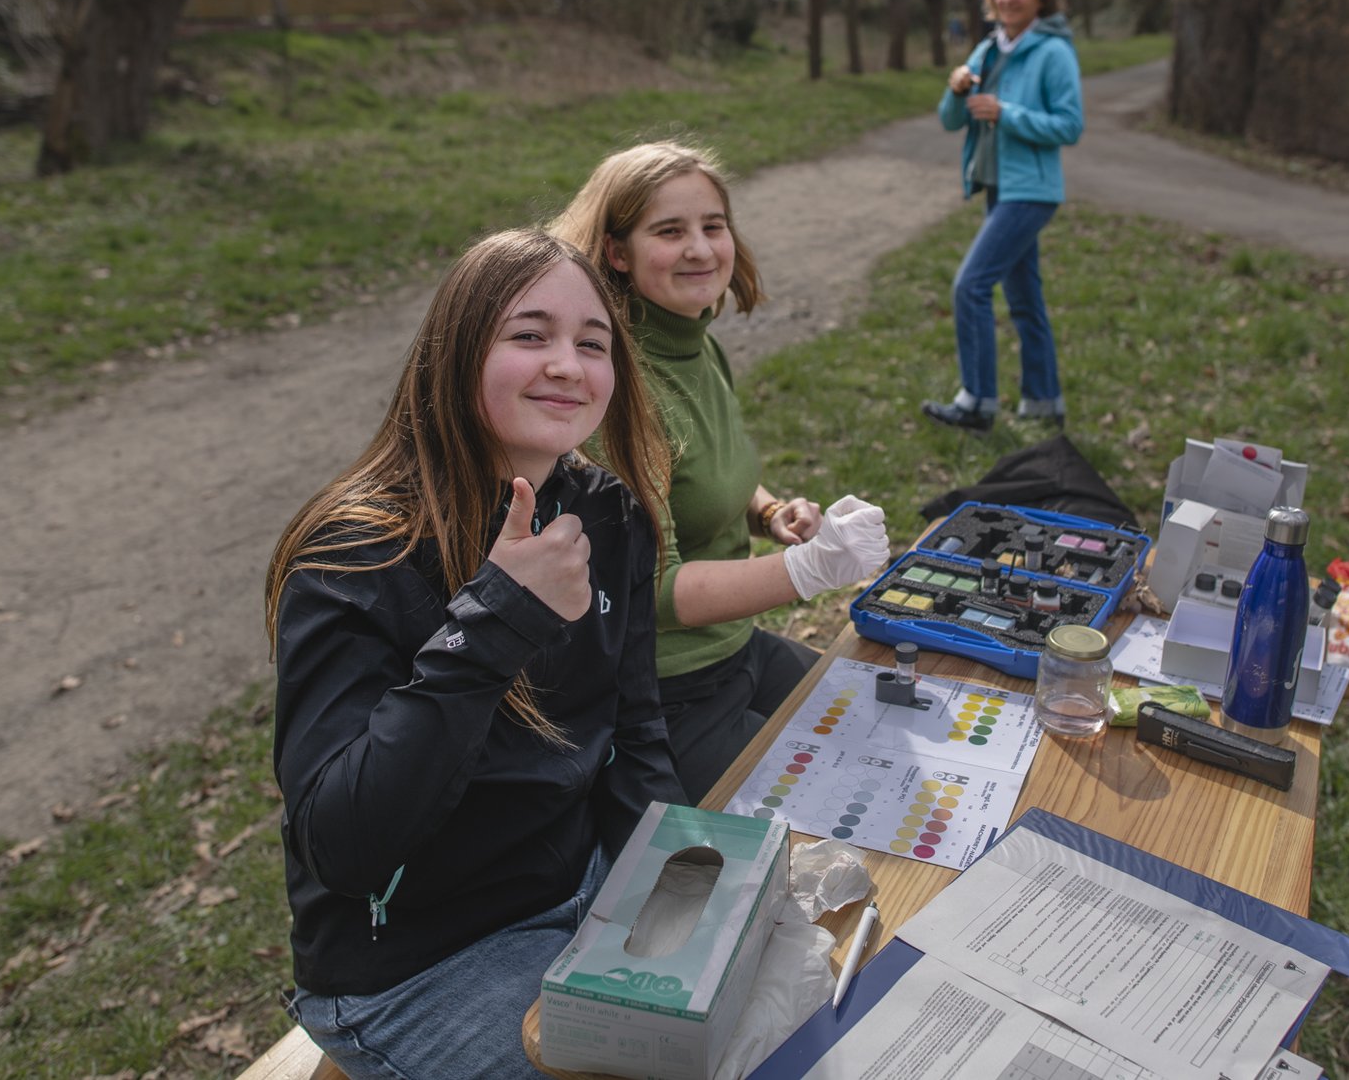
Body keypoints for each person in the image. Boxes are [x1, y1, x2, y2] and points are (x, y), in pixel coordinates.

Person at [267, 229, 683, 1080]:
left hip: (584, 883)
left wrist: (681, 873)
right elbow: (342, 846)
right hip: (422, 960)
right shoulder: (354, 556)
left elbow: (634, 727)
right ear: (456, 355)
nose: (567, 365)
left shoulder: (610, 516)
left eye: (592, 343)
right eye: (529, 336)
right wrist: (495, 618)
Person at [551, 142, 891, 801]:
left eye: (712, 225)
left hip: (739, 647)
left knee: (883, 736)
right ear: (616, 252)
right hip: (668, 688)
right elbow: (647, 590)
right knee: (835, 813)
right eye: (669, 231)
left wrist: (767, 512)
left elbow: (701, 477)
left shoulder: (691, 339)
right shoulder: (621, 392)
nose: (701, 250)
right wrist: (808, 572)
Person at [923, 0, 1085, 432]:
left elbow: (1070, 125)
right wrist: (955, 90)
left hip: (1031, 190)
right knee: (1024, 299)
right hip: (997, 186)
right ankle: (1043, 401)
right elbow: (950, 119)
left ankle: (977, 403)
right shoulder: (988, 50)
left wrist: (1007, 113)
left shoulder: (1054, 52)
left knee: (970, 285)